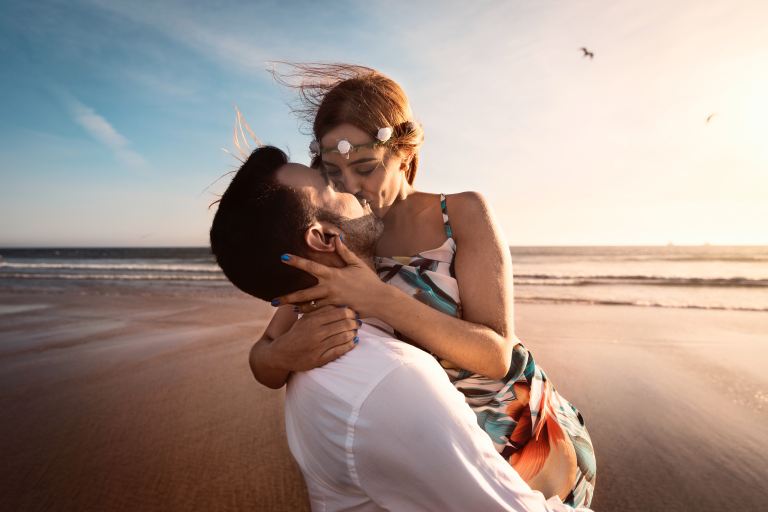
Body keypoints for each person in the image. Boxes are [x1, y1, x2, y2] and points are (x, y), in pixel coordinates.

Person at [250, 64, 595, 507]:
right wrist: (283, 354)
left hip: (525, 444)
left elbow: (496, 355)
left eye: (365, 167)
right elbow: (263, 357)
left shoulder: (463, 214)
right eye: (333, 171)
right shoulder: (341, 235)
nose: (350, 186)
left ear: (405, 154)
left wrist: (379, 300)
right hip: (429, 456)